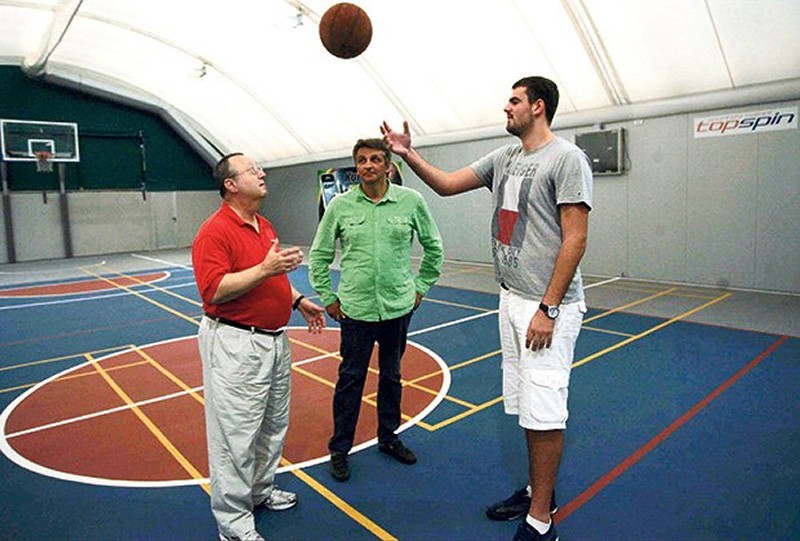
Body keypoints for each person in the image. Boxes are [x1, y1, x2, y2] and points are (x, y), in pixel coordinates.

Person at [381, 76, 592, 541]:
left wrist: (549, 308)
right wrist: (407, 154)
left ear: (538, 107)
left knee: (546, 412)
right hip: (511, 299)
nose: (506, 107)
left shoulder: (567, 158)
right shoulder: (505, 158)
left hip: (546, 308)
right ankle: (540, 490)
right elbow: (447, 185)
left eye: (514, 101)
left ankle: (540, 522)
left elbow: (575, 237)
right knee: (525, 408)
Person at [192, 153, 326, 541]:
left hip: (273, 341)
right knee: (235, 434)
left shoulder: (263, 224)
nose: (262, 173)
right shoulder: (214, 231)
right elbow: (214, 289)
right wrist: (267, 269)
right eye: (252, 170)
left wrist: (297, 301)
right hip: (236, 343)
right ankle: (233, 524)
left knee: (271, 425)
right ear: (230, 184)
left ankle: (259, 491)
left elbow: (272, 280)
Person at [308, 138, 443, 482]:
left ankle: (389, 438)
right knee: (350, 379)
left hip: (398, 308)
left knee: (392, 376)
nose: (367, 165)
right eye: (361, 160)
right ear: (356, 168)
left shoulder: (411, 202)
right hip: (355, 311)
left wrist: (420, 287)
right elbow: (320, 256)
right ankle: (340, 449)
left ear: (387, 166)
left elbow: (434, 247)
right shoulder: (340, 206)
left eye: (375, 159)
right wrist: (328, 296)